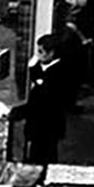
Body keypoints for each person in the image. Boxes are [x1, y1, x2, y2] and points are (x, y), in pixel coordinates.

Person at [10, 33, 67, 164]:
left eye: (40, 51)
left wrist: (21, 111)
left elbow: (42, 90)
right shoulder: (45, 68)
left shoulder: (58, 71)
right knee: (36, 154)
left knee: (44, 156)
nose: (38, 55)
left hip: (47, 123)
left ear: (51, 53)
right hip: (39, 123)